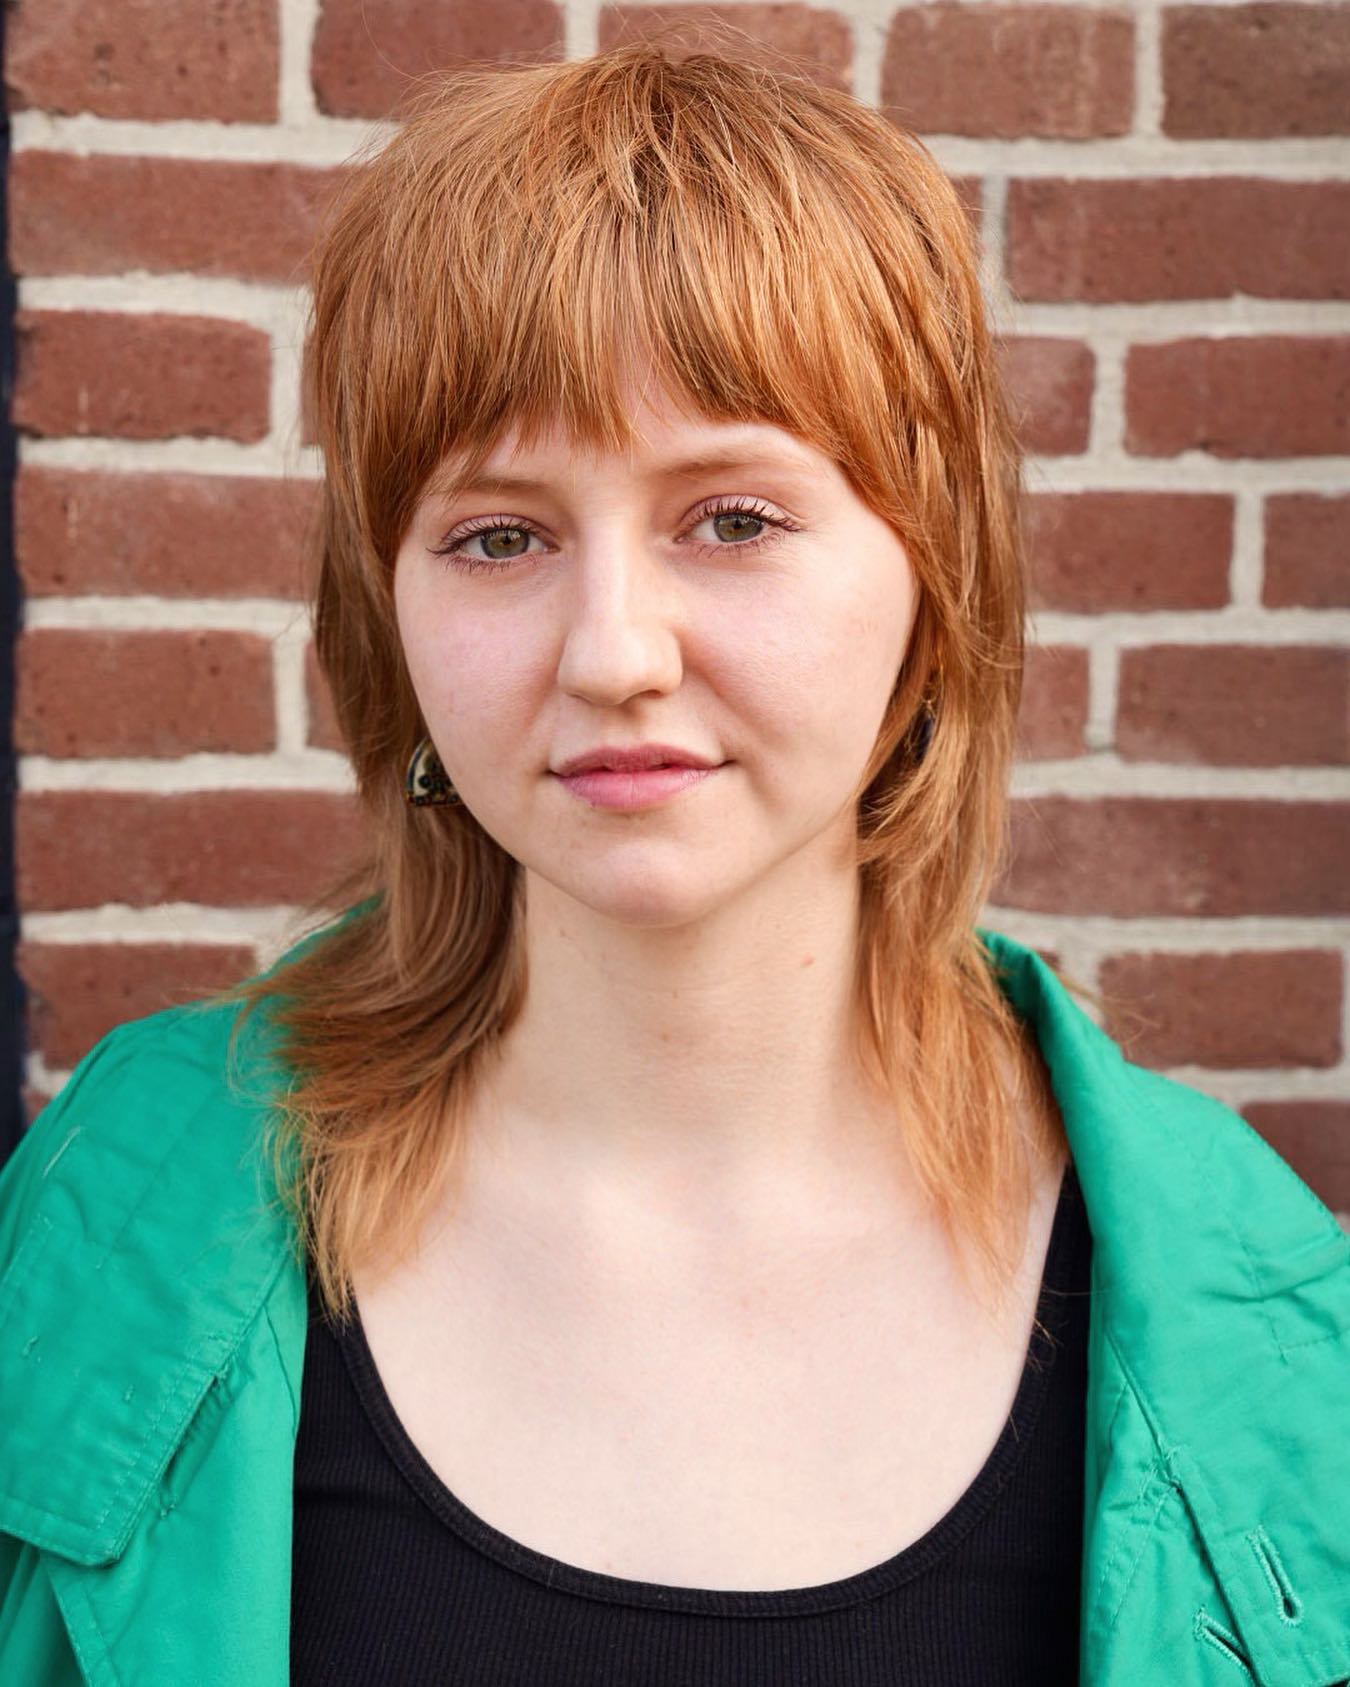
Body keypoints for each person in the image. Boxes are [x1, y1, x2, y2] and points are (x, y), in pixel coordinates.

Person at [1, 39, 1347, 1687]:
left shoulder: (1252, 1304)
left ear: (933, 575)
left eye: (732, 519)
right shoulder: (121, 1208)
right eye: (500, 536)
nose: (613, 654)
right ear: (389, 610)